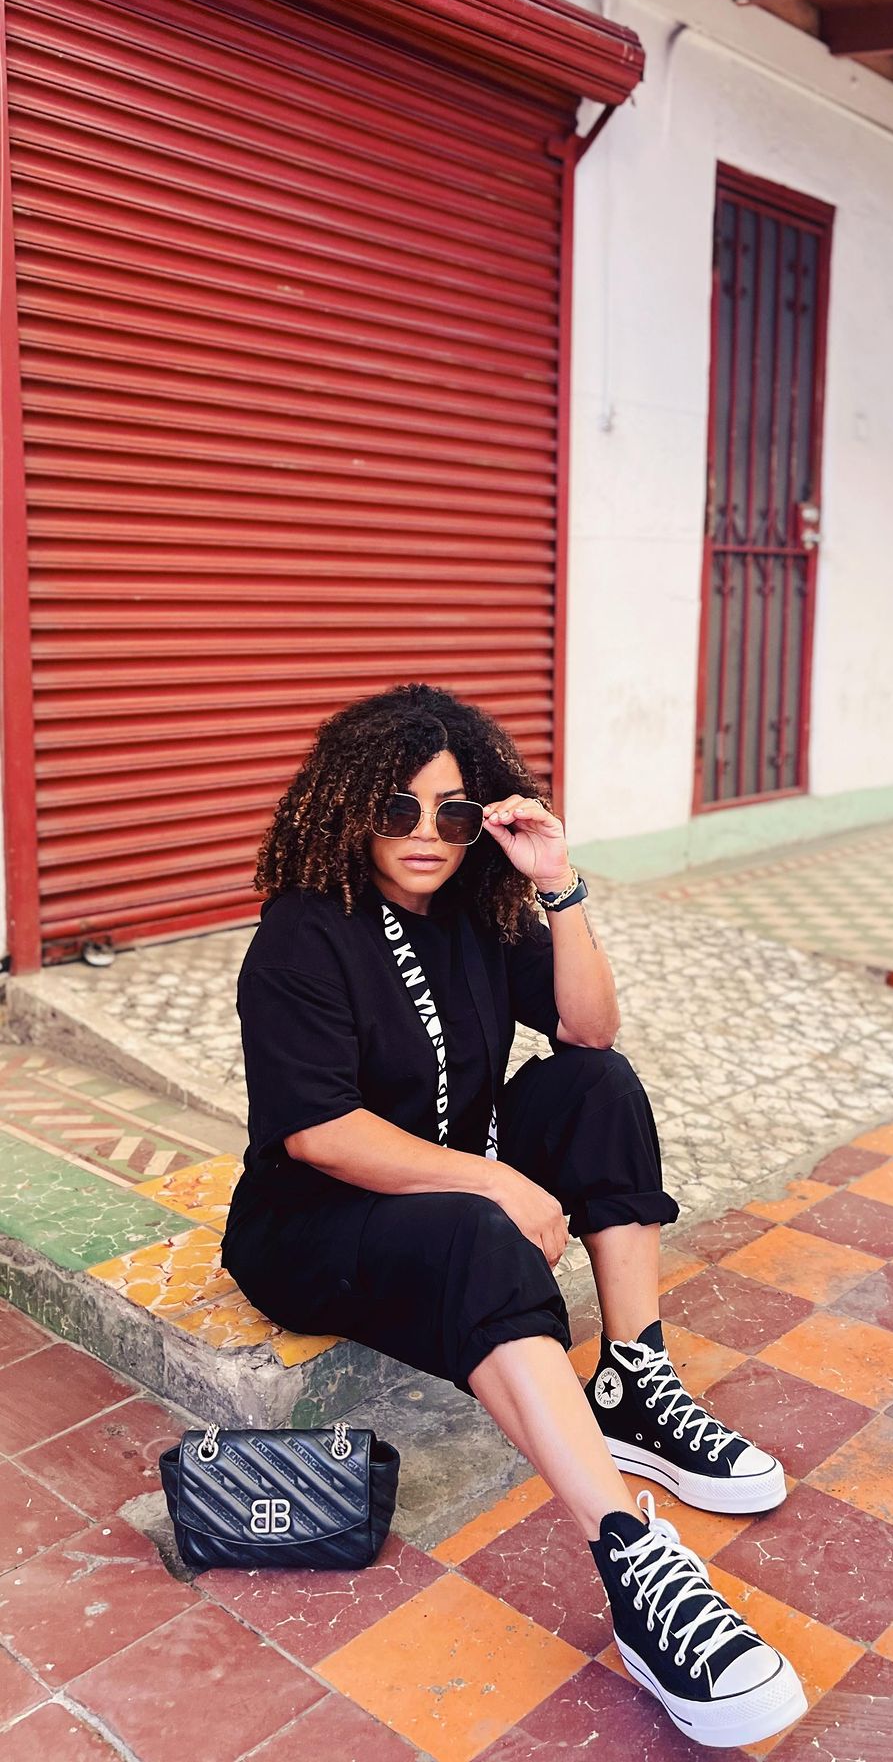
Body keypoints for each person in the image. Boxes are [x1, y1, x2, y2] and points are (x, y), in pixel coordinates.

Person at [221, 682, 807, 1749]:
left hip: (448, 1178)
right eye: (395, 808)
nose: (424, 835)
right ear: (349, 807)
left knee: (598, 1086)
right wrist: (494, 1181)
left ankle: (632, 1379)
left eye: (452, 813)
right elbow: (320, 1134)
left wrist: (559, 887)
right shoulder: (304, 935)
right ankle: (634, 1560)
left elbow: (588, 1028)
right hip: (312, 1225)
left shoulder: (480, 913)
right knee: (479, 1231)